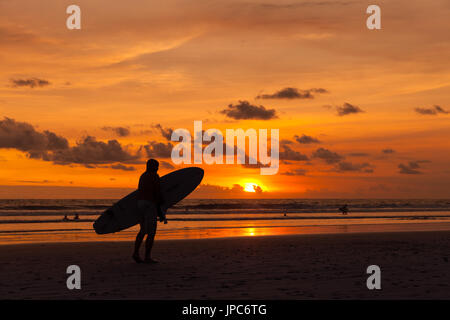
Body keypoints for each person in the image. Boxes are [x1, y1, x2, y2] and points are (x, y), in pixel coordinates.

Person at [132, 159, 164, 264]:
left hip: (140, 204)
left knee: (143, 230)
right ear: (151, 166)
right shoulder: (154, 176)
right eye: (156, 166)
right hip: (150, 204)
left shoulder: (143, 176)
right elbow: (157, 193)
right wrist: (160, 211)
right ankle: (147, 257)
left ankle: (136, 253)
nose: (157, 168)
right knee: (151, 233)